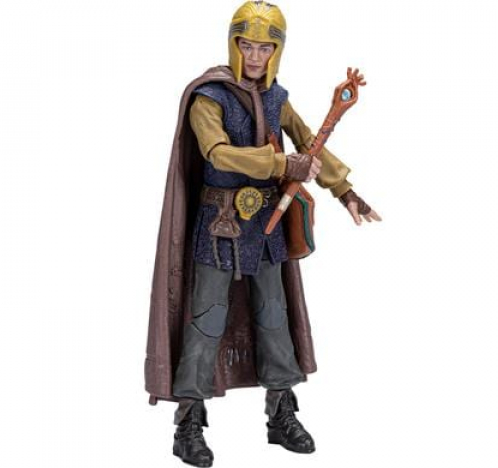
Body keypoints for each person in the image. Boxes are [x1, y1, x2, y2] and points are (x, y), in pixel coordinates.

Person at [144, 2, 382, 466]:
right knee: (207, 320)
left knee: (274, 316)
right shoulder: (209, 96)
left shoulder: (276, 97)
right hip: (220, 224)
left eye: (264, 47)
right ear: (235, 45)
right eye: (248, 46)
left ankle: (281, 412)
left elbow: (308, 140)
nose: (255, 56)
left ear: (277, 51)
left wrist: (345, 191)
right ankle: (189, 421)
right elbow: (218, 153)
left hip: (267, 228)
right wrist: (280, 164)